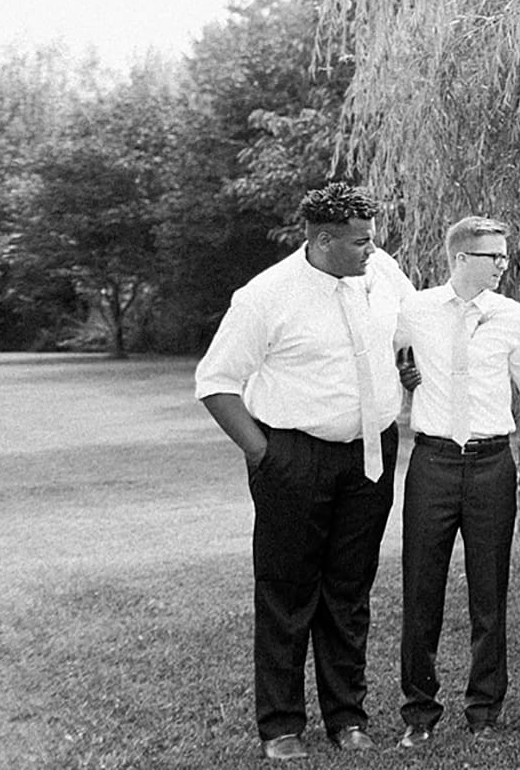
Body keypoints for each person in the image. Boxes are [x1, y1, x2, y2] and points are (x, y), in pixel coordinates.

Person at [195, 183, 406, 762]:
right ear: (323, 240)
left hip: (368, 454)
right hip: (293, 457)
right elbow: (215, 382)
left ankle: (347, 717)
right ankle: (281, 726)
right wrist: (266, 455)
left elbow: (407, 332)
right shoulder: (266, 295)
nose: (374, 247)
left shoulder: (382, 271)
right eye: (361, 240)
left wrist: (403, 379)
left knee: (348, 591)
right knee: (288, 595)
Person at [393, 217, 520, 747]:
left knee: (489, 591)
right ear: (459, 259)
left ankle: (484, 711)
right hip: (431, 463)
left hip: (492, 464)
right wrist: (405, 374)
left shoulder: (513, 317)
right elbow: (388, 356)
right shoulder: (416, 309)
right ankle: (419, 714)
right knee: (421, 590)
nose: (503, 264)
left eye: (504, 256)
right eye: (492, 256)